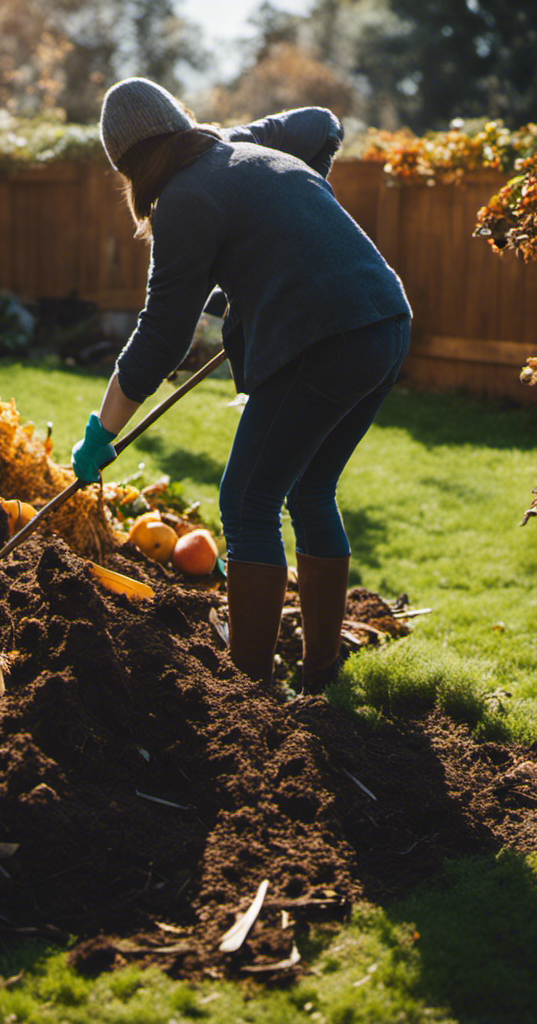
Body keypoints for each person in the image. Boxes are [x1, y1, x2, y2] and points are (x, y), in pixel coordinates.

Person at [71, 77, 411, 692]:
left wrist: (103, 431)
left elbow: (161, 337)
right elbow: (320, 122)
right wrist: (281, 236)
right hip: (385, 320)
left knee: (247, 502)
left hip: (324, 340)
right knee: (310, 492)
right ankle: (320, 680)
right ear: (179, 124)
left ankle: (249, 693)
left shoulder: (181, 200)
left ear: (129, 166)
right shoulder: (241, 146)